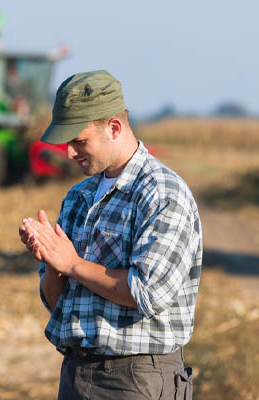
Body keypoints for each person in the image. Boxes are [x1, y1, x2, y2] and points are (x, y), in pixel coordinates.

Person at [19, 70, 201, 400]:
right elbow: (59, 304)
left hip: (135, 379)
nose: (70, 153)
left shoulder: (162, 193)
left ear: (114, 128)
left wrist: (73, 264)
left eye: (79, 141)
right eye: (66, 144)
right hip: (76, 372)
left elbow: (148, 293)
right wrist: (51, 263)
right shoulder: (79, 196)